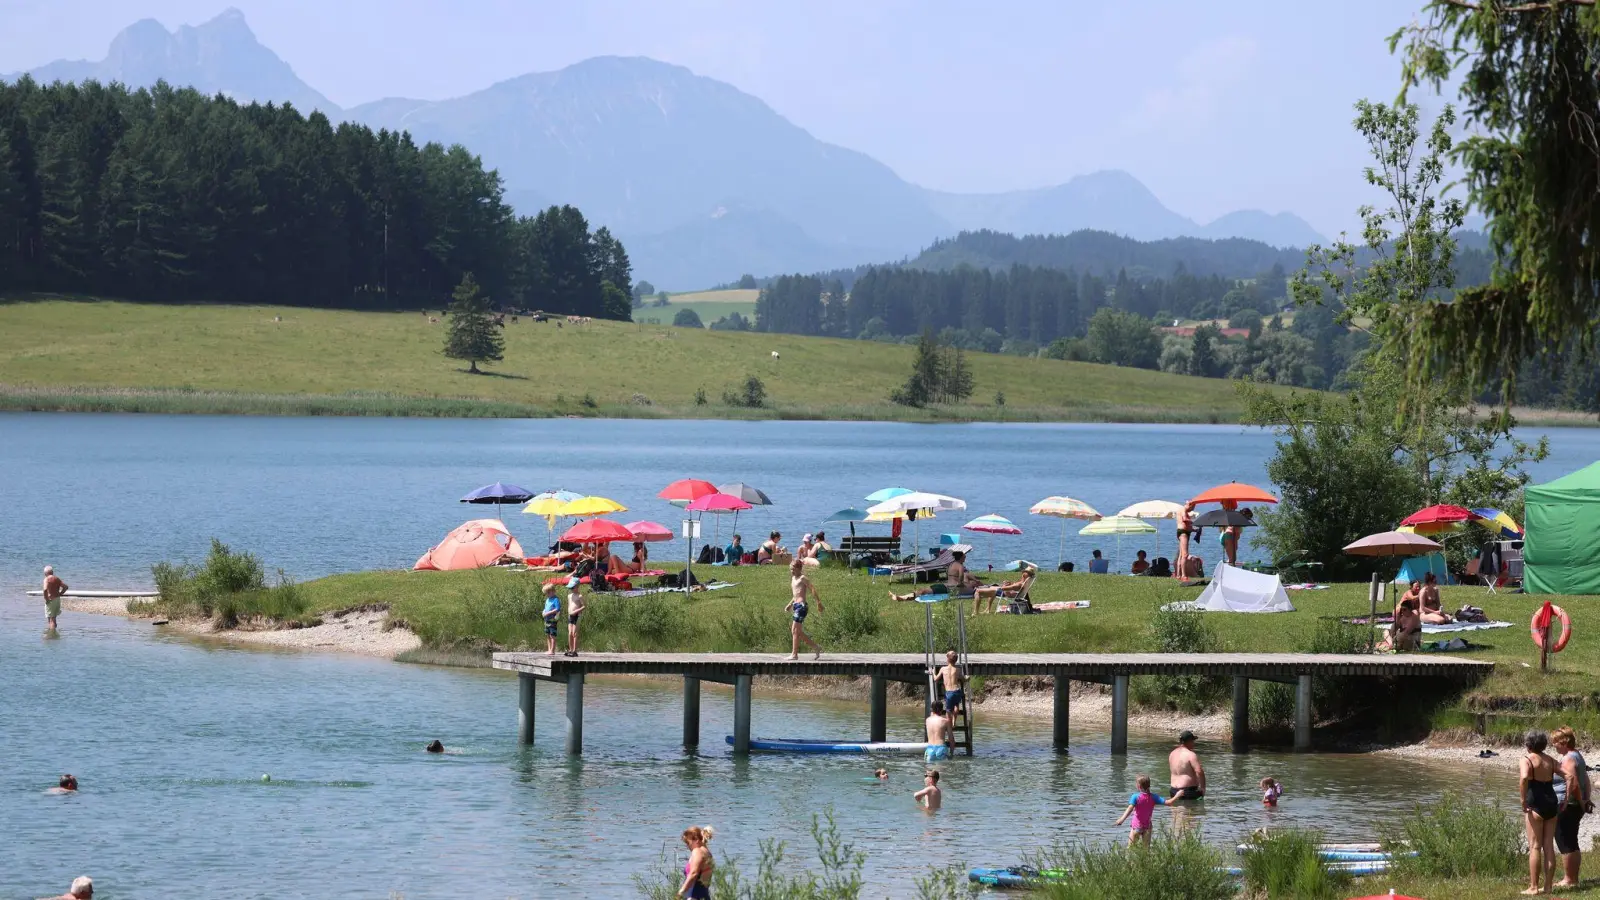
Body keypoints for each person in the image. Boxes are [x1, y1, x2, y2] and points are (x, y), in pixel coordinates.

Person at [1522, 729, 1562, 895]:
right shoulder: (1550, 760)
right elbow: (1569, 775)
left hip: (1535, 806)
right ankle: (1548, 886)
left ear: (1529, 745)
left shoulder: (1527, 760)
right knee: (1549, 847)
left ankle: (1533, 887)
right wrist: (1565, 799)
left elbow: (1524, 778)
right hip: (1551, 804)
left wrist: (1522, 800)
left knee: (1535, 847)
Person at [1552, 725, 1591, 888]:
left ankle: (1569, 879)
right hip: (1575, 805)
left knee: (1564, 841)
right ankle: (1573, 878)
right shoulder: (1577, 755)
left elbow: (1573, 783)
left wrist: (1572, 802)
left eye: (1555, 742)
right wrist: (1586, 799)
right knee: (1572, 840)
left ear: (1564, 742)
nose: (1553, 745)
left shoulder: (1568, 758)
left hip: (1567, 805)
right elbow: (1586, 780)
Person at [890, 550, 980, 602]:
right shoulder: (960, 566)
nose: (965, 558)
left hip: (946, 586)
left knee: (923, 590)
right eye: (964, 557)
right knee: (923, 591)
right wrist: (963, 586)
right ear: (960, 558)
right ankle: (902, 598)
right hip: (950, 588)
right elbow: (960, 581)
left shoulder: (951, 565)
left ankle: (902, 597)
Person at [1114, 774, 1167, 847]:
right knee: (1146, 850)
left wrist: (1121, 819)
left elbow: (1130, 809)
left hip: (1137, 826)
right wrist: (1177, 795)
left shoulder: (1135, 796)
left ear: (1138, 786)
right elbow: (1169, 802)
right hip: (1147, 827)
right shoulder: (1153, 797)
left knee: (1130, 850)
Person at [785, 558, 822, 660]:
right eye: (790, 569)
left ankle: (794, 654)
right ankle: (816, 647)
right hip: (796, 606)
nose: (791, 571)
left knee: (795, 631)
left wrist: (818, 603)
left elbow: (812, 589)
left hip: (801, 606)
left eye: (793, 569)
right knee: (797, 631)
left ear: (799, 568)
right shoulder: (793, 579)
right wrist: (790, 604)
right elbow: (796, 594)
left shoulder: (802, 578)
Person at [972, 565, 1036, 615]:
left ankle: (976, 612)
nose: (1023, 573)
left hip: (1003, 592)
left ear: (1026, 575)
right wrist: (1009, 583)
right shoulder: (1023, 583)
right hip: (1005, 592)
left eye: (1025, 572)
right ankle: (987, 610)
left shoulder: (1020, 584)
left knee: (978, 591)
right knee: (991, 587)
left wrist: (1004, 585)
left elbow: (1003, 588)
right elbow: (1013, 586)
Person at [677, 825, 715, 900]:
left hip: (693, 896)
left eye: (688, 843)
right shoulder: (707, 853)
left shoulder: (697, 851)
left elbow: (693, 874)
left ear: (696, 840)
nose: (687, 846)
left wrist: (681, 892)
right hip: (704, 895)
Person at [1383, 584, 1423, 652]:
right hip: (1401, 640)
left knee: (1401, 635)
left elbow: (1406, 633)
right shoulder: (1402, 617)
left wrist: (1395, 638)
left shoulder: (1414, 618)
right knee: (1386, 631)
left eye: (1404, 609)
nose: (1402, 611)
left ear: (1410, 609)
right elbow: (1393, 630)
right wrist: (1398, 619)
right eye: (1401, 609)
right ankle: (1391, 644)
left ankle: (1392, 645)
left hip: (1412, 641)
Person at [1168, 730, 1206, 801]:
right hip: (1187, 792)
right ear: (1189, 741)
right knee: (1193, 811)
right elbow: (1199, 771)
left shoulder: (1172, 754)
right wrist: (1203, 788)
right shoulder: (1191, 755)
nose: (1193, 743)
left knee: (1176, 811)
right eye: (1193, 741)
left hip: (1173, 791)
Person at [932, 650, 965, 725]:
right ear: (956, 660)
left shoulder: (943, 669)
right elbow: (963, 679)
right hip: (957, 691)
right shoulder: (958, 669)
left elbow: (935, 679)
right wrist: (966, 678)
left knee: (948, 710)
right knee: (956, 706)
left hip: (949, 692)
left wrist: (933, 673)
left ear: (947, 659)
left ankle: (948, 724)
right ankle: (954, 721)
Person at [42, 565, 68, 631]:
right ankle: (54, 633)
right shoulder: (56, 578)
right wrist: (60, 594)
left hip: (51, 600)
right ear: (52, 572)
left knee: (51, 620)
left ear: (45, 573)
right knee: (54, 618)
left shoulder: (46, 579)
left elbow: (45, 590)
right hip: (57, 599)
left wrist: (46, 599)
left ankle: (52, 635)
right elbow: (65, 587)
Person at [1175, 502, 1196, 580]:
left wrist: (1194, 530)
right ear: (1190, 505)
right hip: (1183, 533)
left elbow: (1186, 525)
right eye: (1192, 508)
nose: (1192, 510)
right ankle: (1184, 575)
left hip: (1184, 532)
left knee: (1181, 555)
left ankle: (1178, 575)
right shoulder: (1183, 510)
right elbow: (1184, 519)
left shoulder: (1184, 511)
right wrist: (1194, 522)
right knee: (1185, 555)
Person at [565, 582, 585, 657]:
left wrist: (576, 611)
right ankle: (570, 650)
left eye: (573, 587)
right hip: (570, 616)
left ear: (577, 587)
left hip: (577, 616)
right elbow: (569, 605)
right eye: (570, 588)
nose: (571, 589)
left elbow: (584, 606)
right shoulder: (569, 596)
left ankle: (574, 651)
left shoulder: (580, 596)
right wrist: (569, 613)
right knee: (570, 633)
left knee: (574, 633)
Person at [541, 583, 561, 656]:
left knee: (552, 635)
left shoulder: (556, 599)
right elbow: (545, 607)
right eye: (546, 593)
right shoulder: (547, 599)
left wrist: (548, 613)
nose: (547, 594)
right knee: (548, 634)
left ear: (553, 591)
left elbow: (557, 609)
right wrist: (543, 612)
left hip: (553, 620)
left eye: (548, 592)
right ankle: (549, 649)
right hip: (547, 619)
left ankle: (552, 650)